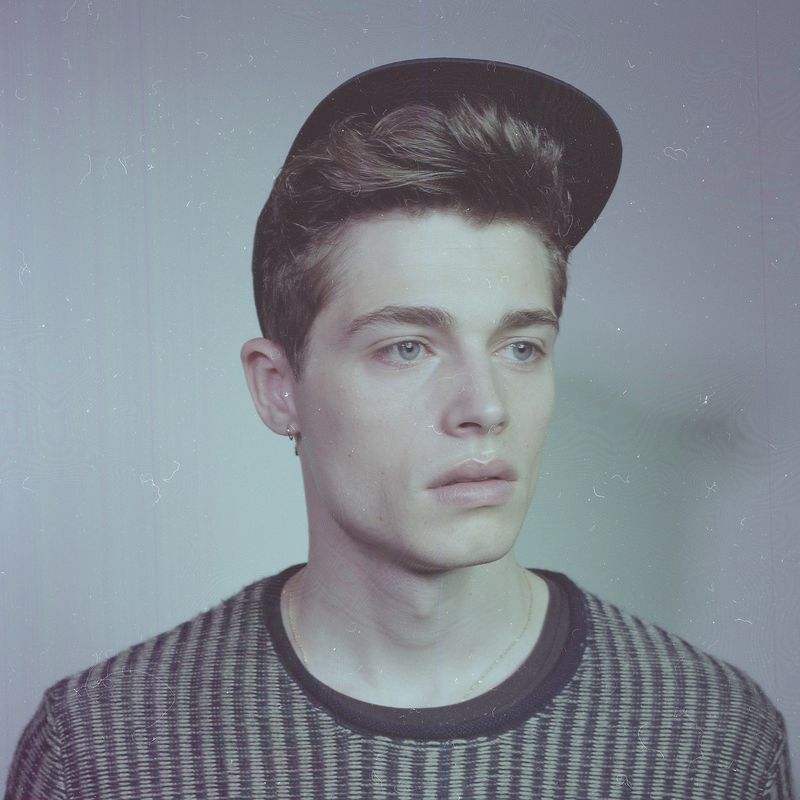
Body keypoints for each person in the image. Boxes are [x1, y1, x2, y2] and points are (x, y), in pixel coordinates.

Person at [5, 58, 793, 800]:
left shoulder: (714, 737)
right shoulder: (101, 748)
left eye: (521, 347)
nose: (485, 405)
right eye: (406, 347)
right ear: (278, 389)